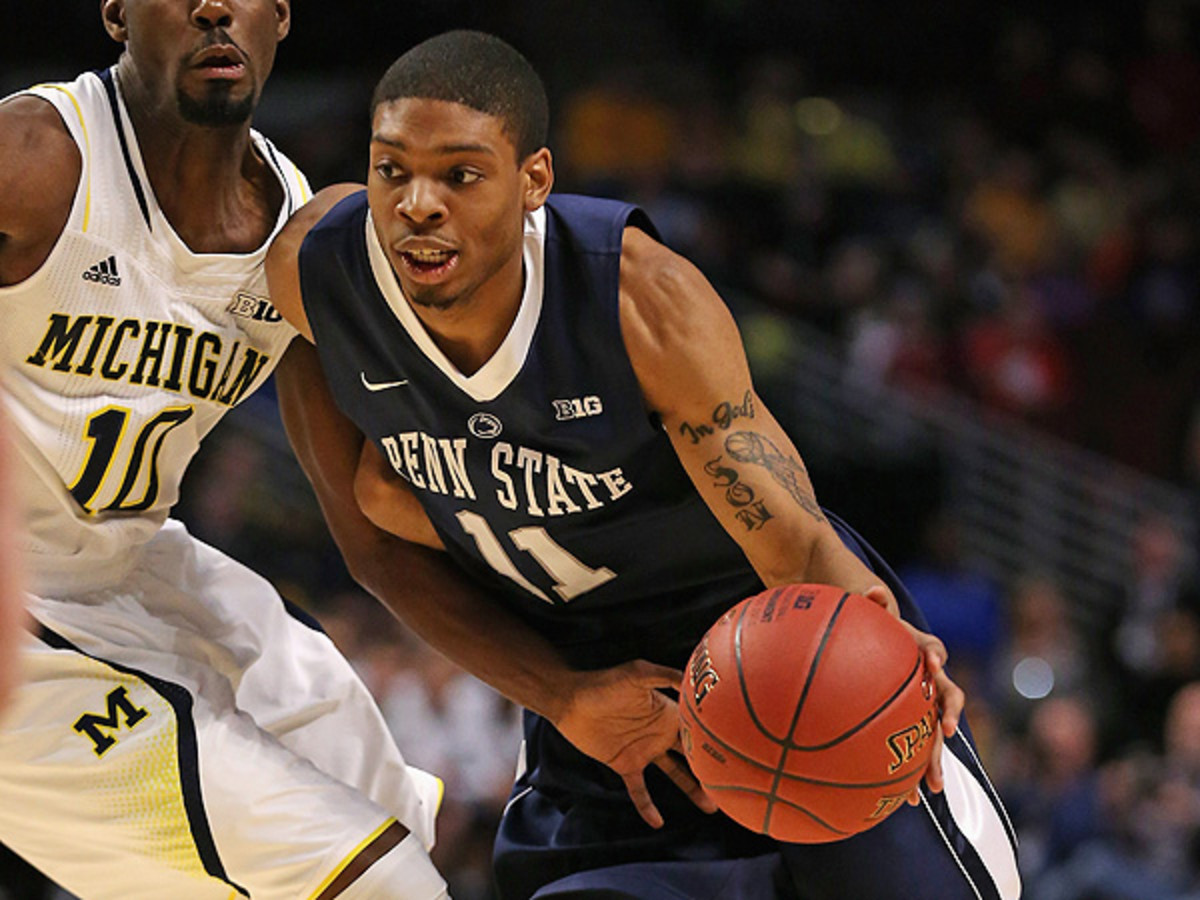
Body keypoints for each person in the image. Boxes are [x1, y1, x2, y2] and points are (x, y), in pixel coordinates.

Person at [266, 30, 1022, 900]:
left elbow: (794, 540)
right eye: (390, 170)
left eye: (461, 175)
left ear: (534, 183)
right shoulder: (316, 276)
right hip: (589, 682)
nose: (417, 204)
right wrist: (563, 695)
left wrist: (885, 648)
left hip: (766, 648)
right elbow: (370, 548)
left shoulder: (638, 301)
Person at [0, 2, 448, 897]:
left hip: (132, 571)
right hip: (16, 609)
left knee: (391, 813)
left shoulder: (294, 237)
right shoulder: (36, 158)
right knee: (382, 885)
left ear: (281, 17)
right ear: (117, 15)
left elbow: (371, 528)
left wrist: (565, 686)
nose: (214, 6)